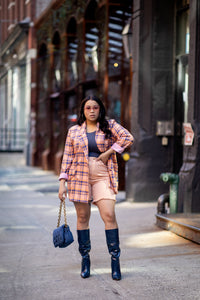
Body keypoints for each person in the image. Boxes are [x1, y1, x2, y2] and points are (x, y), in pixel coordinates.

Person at [58, 95, 134, 280]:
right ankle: (85, 260)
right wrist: (62, 182)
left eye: (95, 108)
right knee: (83, 217)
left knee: (109, 215)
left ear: (100, 109)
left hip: (102, 174)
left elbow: (128, 137)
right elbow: (67, 156)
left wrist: (109, 152)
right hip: (79, 176)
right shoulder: (74, 131)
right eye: (88, 108)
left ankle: (115, 262)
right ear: (83, 111)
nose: (92, 111)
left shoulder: (109, 125)